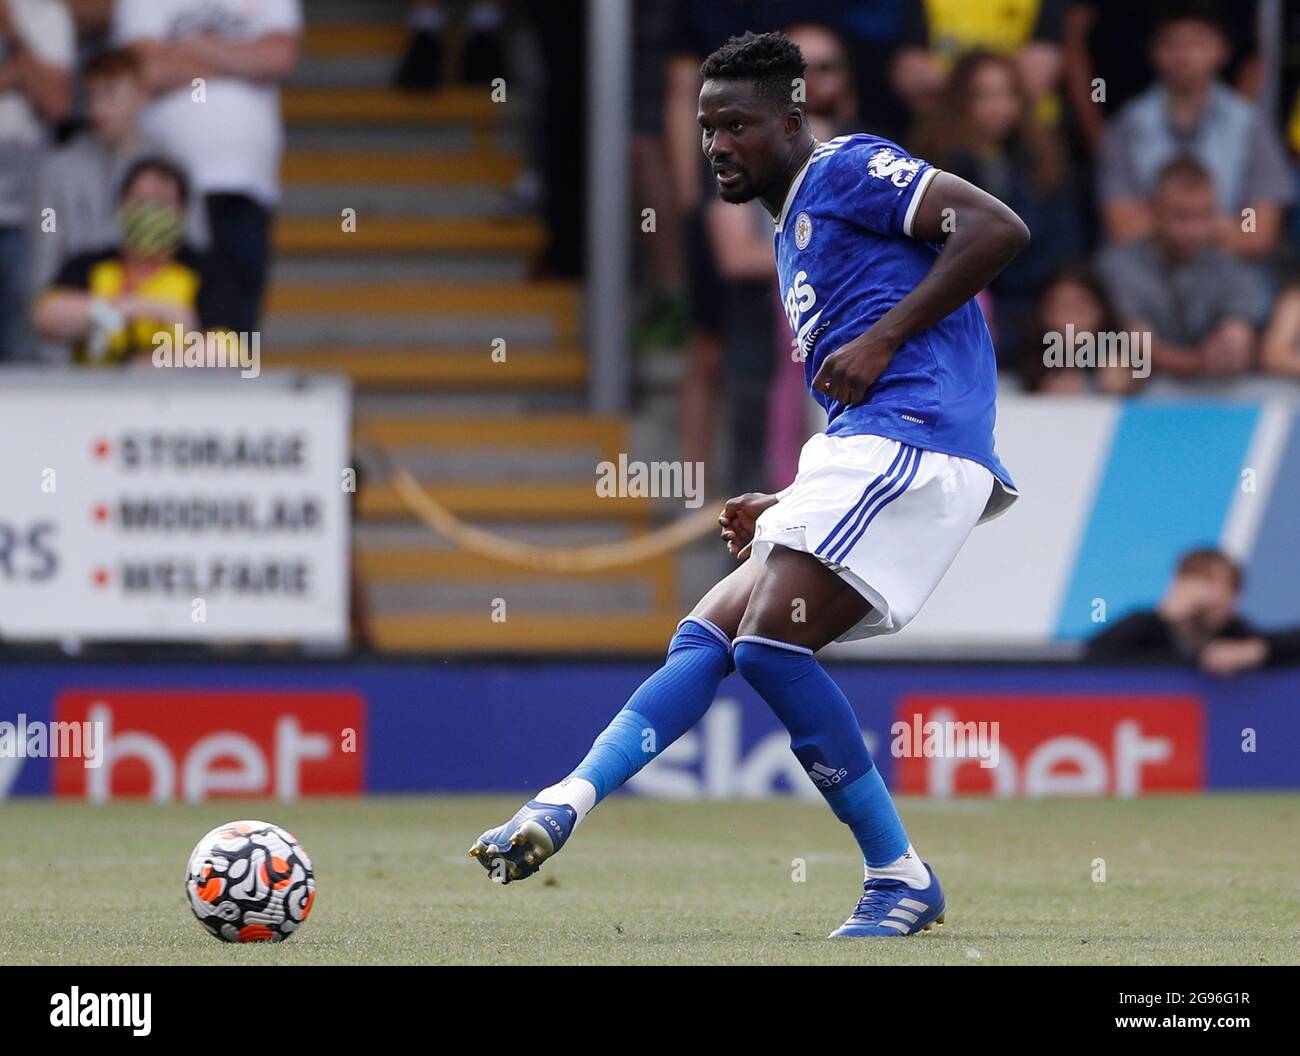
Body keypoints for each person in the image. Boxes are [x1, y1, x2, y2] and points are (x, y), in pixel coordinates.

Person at [470, 31, 1027, 939]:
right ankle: (559, 805)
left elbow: (998, 229)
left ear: (793, 118)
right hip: (862, 449)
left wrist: (884, 337)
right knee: (707, 634)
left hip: (919, 441)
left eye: (738, 124)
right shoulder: (788, 229)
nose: (717, 144)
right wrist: (787, 499)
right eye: (705, 127)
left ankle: (899, 877)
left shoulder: (848, 168)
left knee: (769, 647)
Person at [112, 0, 302, 334]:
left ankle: (238, 387)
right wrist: (242, 61)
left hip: (245, 185)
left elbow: (280, 57)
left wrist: (196, 47)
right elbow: (146, 68)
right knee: (156, 314)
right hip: (162, 192)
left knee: (238, 328)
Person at [909, 50, 1081, 360]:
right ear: (960, 103)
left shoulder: (1046, 161)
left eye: (1006, 94)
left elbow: (1065, 246)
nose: (997, 107)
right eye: (983, 96)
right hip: (963, 308)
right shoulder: (935, 168)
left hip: (1038, 308)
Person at [1097, 1, 1291, 259]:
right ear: (1155, 52)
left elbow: (1259, 232)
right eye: (1173, 44)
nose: (1184, 55)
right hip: (1146, 271)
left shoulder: (1251, 126)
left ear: (1222, 50)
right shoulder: (1126, 126)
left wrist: (1170, 221)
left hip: (1230, 269)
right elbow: (1122, 229)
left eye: (1197, 43)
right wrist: (1213, 224)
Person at [33, 155, 234, 365]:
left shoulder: (207, 270)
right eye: (140, 201)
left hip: (173, 392)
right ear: (122, 204)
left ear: (181, 210)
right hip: (93, 392)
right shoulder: (91, 264)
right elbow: (46, 317)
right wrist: (117, 311)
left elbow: (224, 354)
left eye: (161, 203)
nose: (149, 211)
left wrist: (140, 366)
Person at [1095, 157, 1271, 385]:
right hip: (1143, 392)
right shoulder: (1116, 268)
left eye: (1203, 215)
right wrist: (1199, 362)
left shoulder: (1237, 270)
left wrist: (1231, 347)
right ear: (1153, 211)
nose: (1193, 230)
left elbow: (1237, 339)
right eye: (1181, 216)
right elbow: (1139, 349)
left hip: (1220, 392)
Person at [30, 48, 153, 294]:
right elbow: (47, 237)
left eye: (110, 94)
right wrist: (44, 299)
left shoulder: (167, 166)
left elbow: (191, 247)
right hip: (75, 303)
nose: (98, 109)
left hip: (152, 305)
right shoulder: (59, 167)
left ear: (140, 95)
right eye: (91, 96)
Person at [1086, 548, 1300, 675]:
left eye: (1227, 588)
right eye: (1206, 584)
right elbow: (1090, 659)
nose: (1215, 597)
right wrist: (1169, 615)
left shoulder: (1236, 634)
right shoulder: (1143, 626)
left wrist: (1255, 651)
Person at [0, 0, 73, 361]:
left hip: (27, 216)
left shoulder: (43, 12)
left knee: (23, 347)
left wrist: (10, 29)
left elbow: (55, 101)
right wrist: (15, 77)